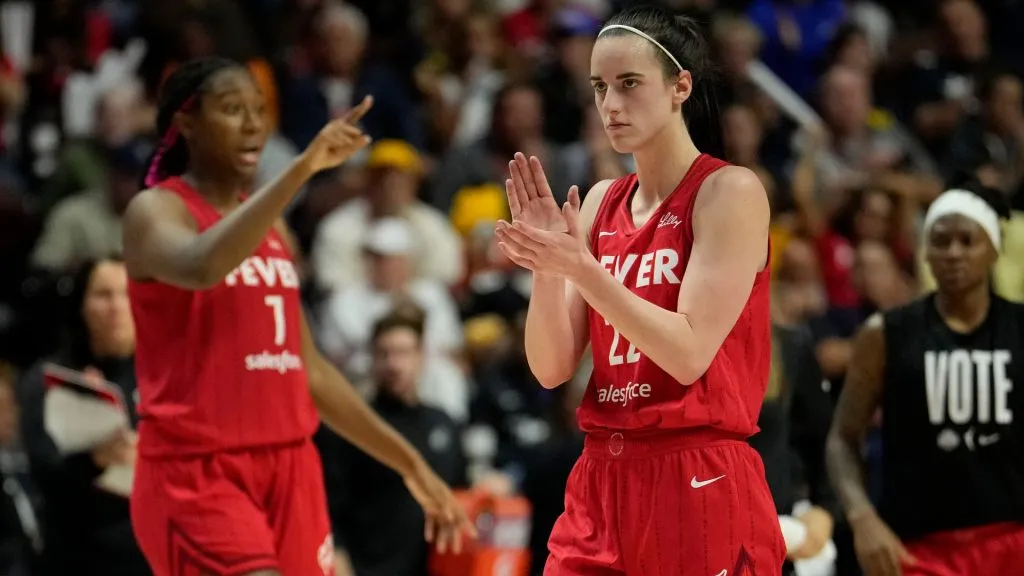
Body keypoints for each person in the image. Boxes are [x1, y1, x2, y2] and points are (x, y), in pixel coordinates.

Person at [120, 57, 473, 576]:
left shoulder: (273, 233)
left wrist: (409, 463)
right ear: (185, 123)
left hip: (291, 469)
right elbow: (203, 265)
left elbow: (312, 373)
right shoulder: (156, 212)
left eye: (259, 110)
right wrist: (302, 169)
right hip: (200, 473)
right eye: (232, 109)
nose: (252, 124)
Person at [493, 6, 785, 575]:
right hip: (602, 473)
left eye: (629, 84)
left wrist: (582, 270)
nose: (610, 104)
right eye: (600, 87)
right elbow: (551, 368)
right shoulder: (601, 201)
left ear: (680, 87)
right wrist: (548, 267)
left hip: (697, 469)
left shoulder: (730, 191)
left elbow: (688, 352)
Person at [826, 182, 1024, 576]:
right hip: (919, 549)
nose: (953, 252)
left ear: (994, 249)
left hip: (1014, 539)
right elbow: (842, 439)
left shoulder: (1020, 327)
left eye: (968, 241)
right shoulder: (886, 333)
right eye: (941, 241)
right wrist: (863, 517)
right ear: (925, 253)